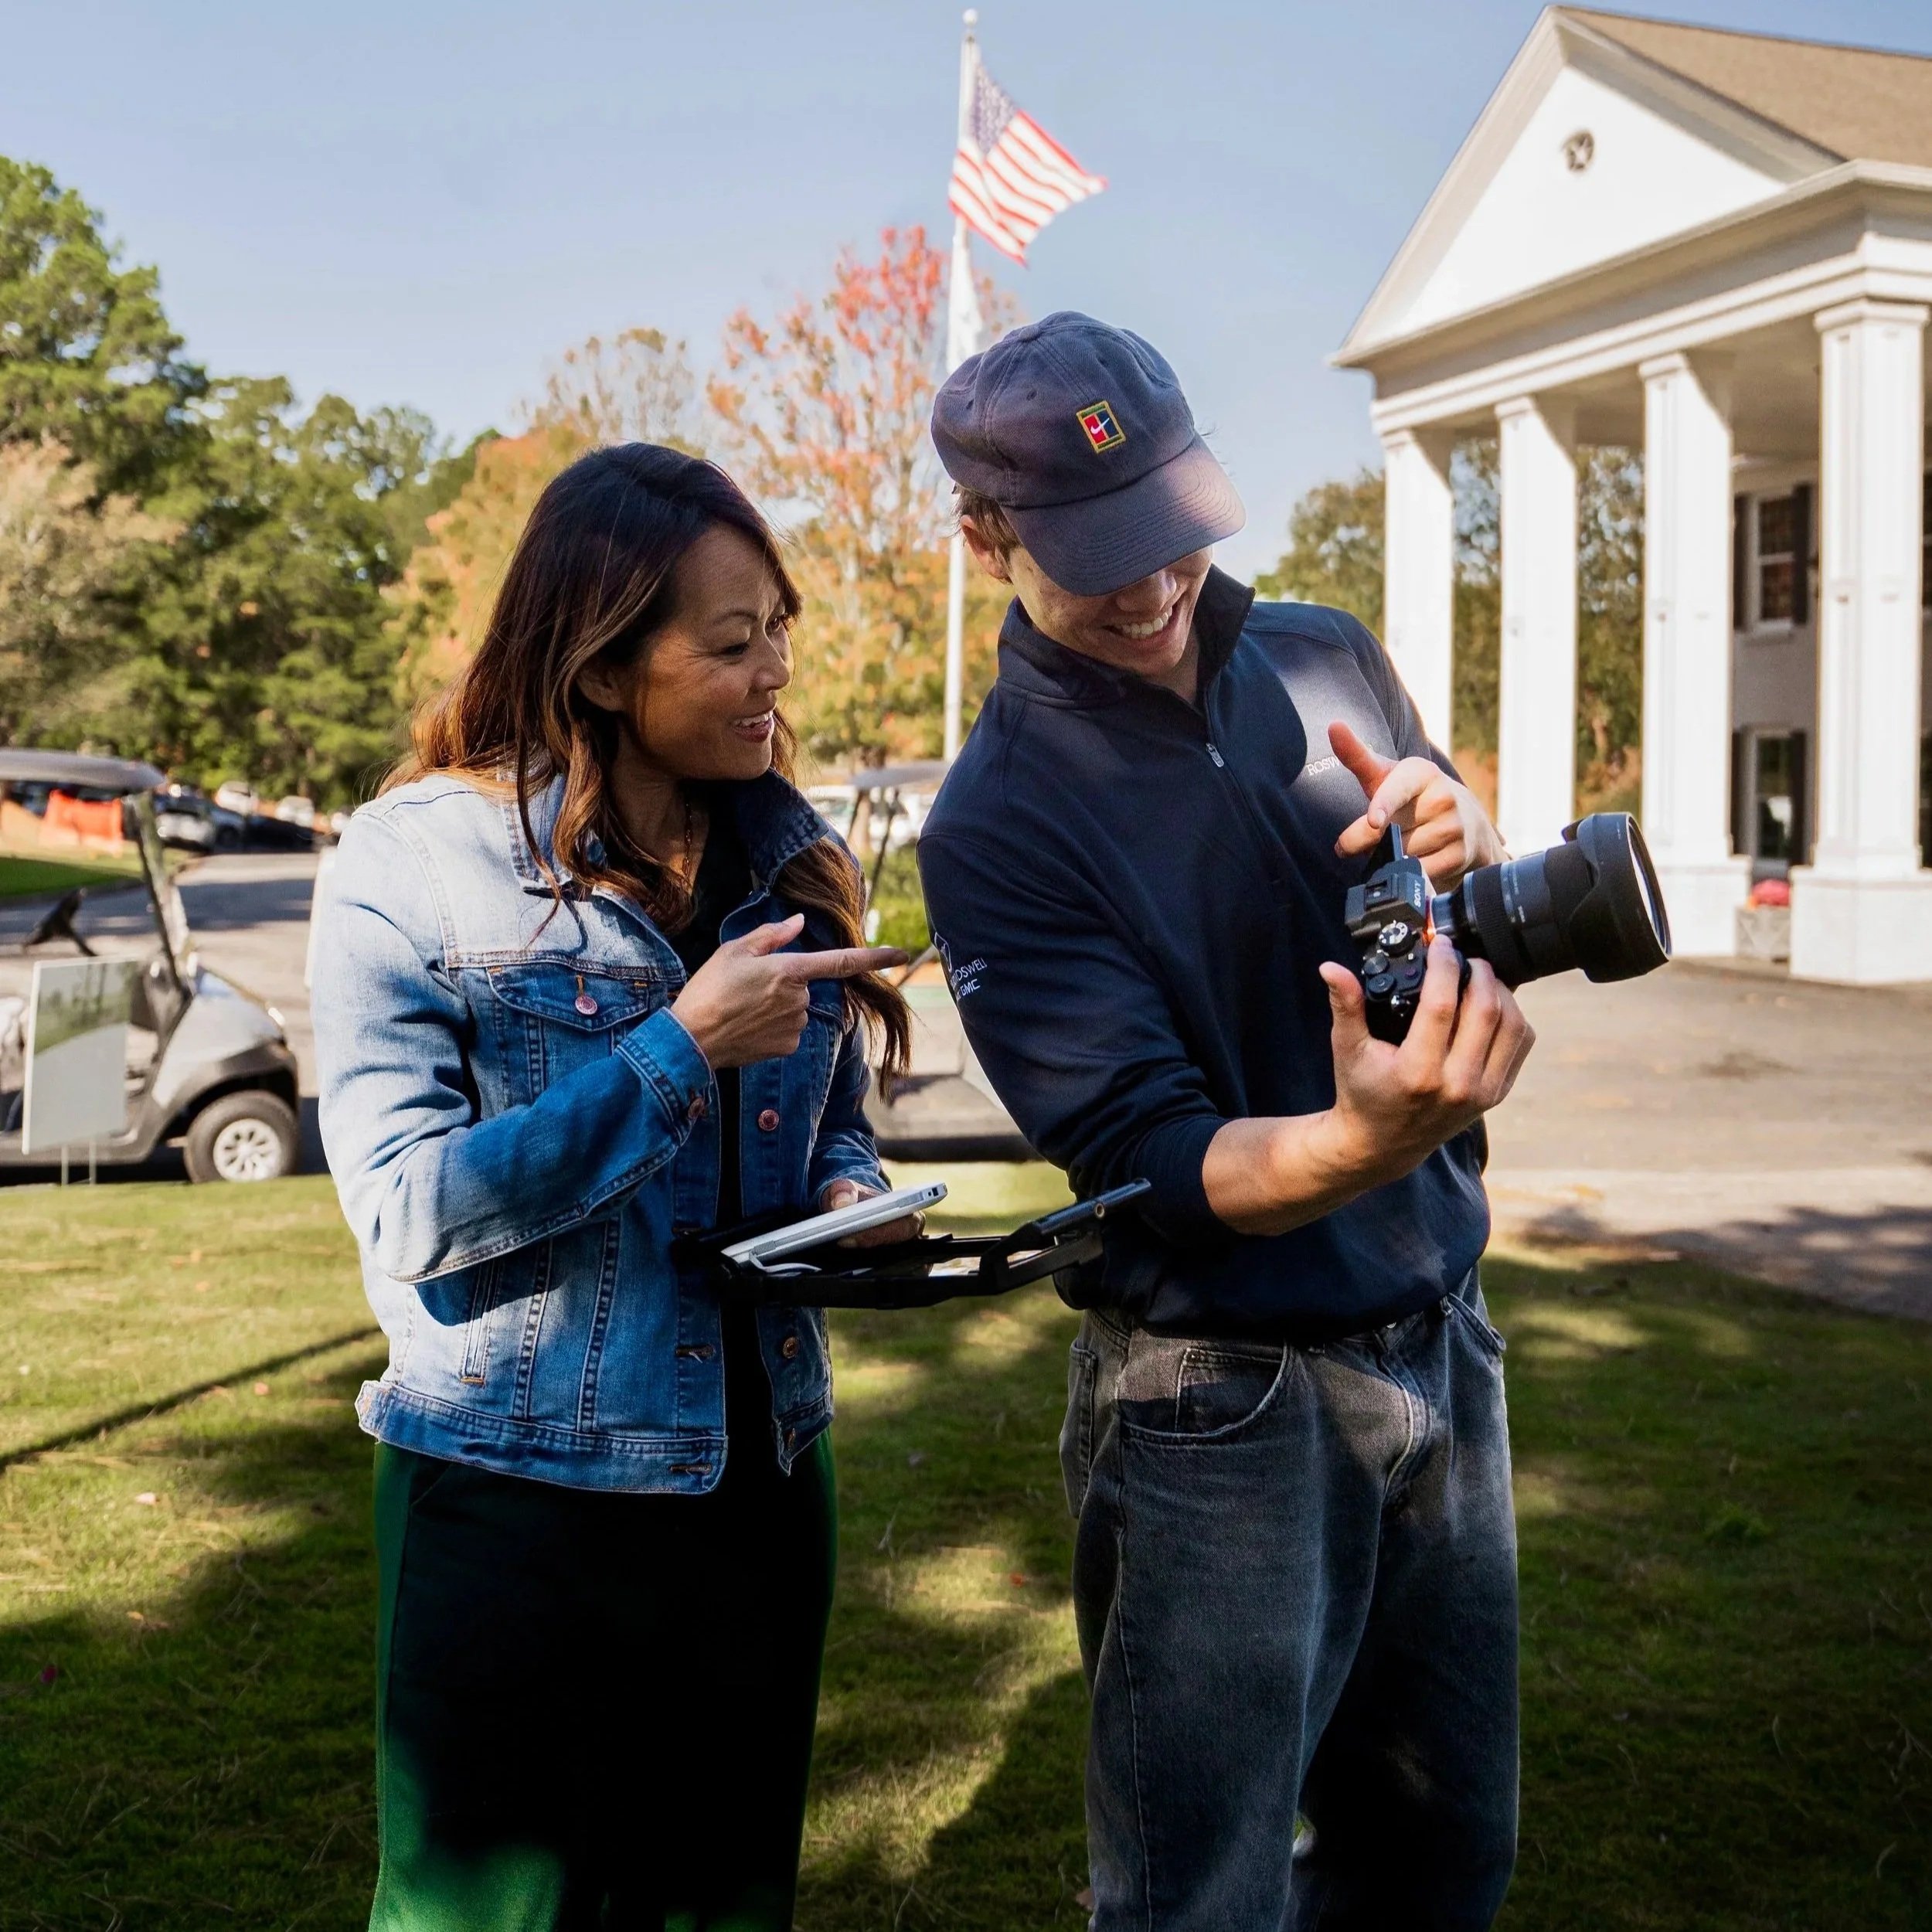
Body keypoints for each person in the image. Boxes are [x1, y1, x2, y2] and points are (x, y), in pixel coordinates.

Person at [917, 314, 1536, 1931]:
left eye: (1172, 532)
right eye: (1097, 552)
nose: (1148, 584)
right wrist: (1358, 1141)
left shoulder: (1324, 650)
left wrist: (1458, 831)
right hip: (1221, 1403)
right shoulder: (994, 820)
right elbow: (1152, 1155)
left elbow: (1438, 899)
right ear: (981, 533)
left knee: (1440, 1851)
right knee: (1205, 1894)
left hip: (1438, 1337)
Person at [312, 444, 917, 1930]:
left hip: (763, 1482)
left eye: (778, 624)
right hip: (517, 1501)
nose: (776, 667)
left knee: (723, 1902)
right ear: (600, 663)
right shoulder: (417, 863)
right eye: (732, 641)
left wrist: (858, 1202)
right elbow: (407, 1215)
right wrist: (674, 1053)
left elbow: (820, 1125)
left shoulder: (793, 855)